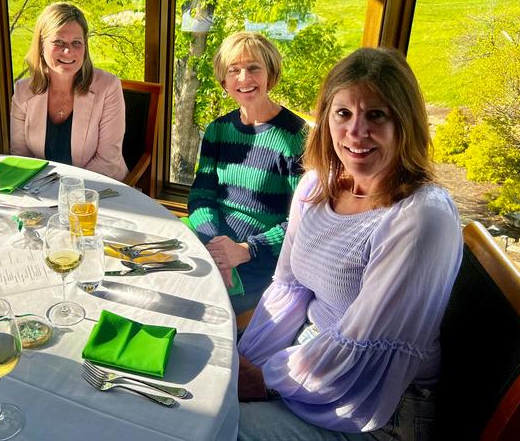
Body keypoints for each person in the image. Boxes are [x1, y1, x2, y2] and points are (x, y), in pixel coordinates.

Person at [236, 48, 462, 441]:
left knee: (212, 427)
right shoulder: (316, 185)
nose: (356, 133)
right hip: (309, 364)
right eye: (343, 114)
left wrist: (262, 381)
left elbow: (363, 348)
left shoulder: (421, 218)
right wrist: (245, 362)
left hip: (377, 405)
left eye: (376, 115)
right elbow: (289, 288)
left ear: (405, 123)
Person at [188, 32, 306, 314]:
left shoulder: (295, 137)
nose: (244, 78)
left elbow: (303, 221)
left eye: (254, 68)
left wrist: (245, 250)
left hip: (260, 257)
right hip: (211, 240)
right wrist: (217, 246)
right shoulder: (218, 130)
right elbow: (201, 197)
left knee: (197, 304)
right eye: (234, 70)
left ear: (270, 74)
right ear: (224, 81)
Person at [10, 2, 128, 181]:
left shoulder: (108, 87)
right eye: (58, 42)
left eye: (76, 43)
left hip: (100, 187)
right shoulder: (23, 91)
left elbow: (107, 161)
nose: (68, 51)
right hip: (40, 189)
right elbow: (21, 157)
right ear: (41, 45)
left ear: (85, 47)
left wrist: (66, 190)